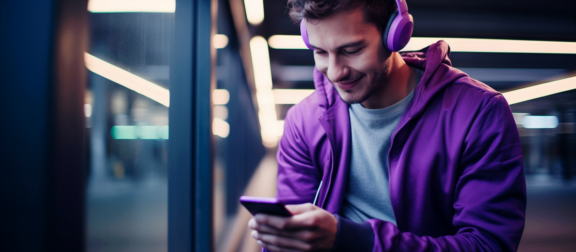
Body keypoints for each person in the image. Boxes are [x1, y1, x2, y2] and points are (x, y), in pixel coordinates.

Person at [248, 0, 526, 251]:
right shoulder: (303, 121)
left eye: (352, 50)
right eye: (320, 52)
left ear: (396, 34)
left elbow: (488, 245)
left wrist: (350, 240)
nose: (335, 71)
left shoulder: (479, 112)